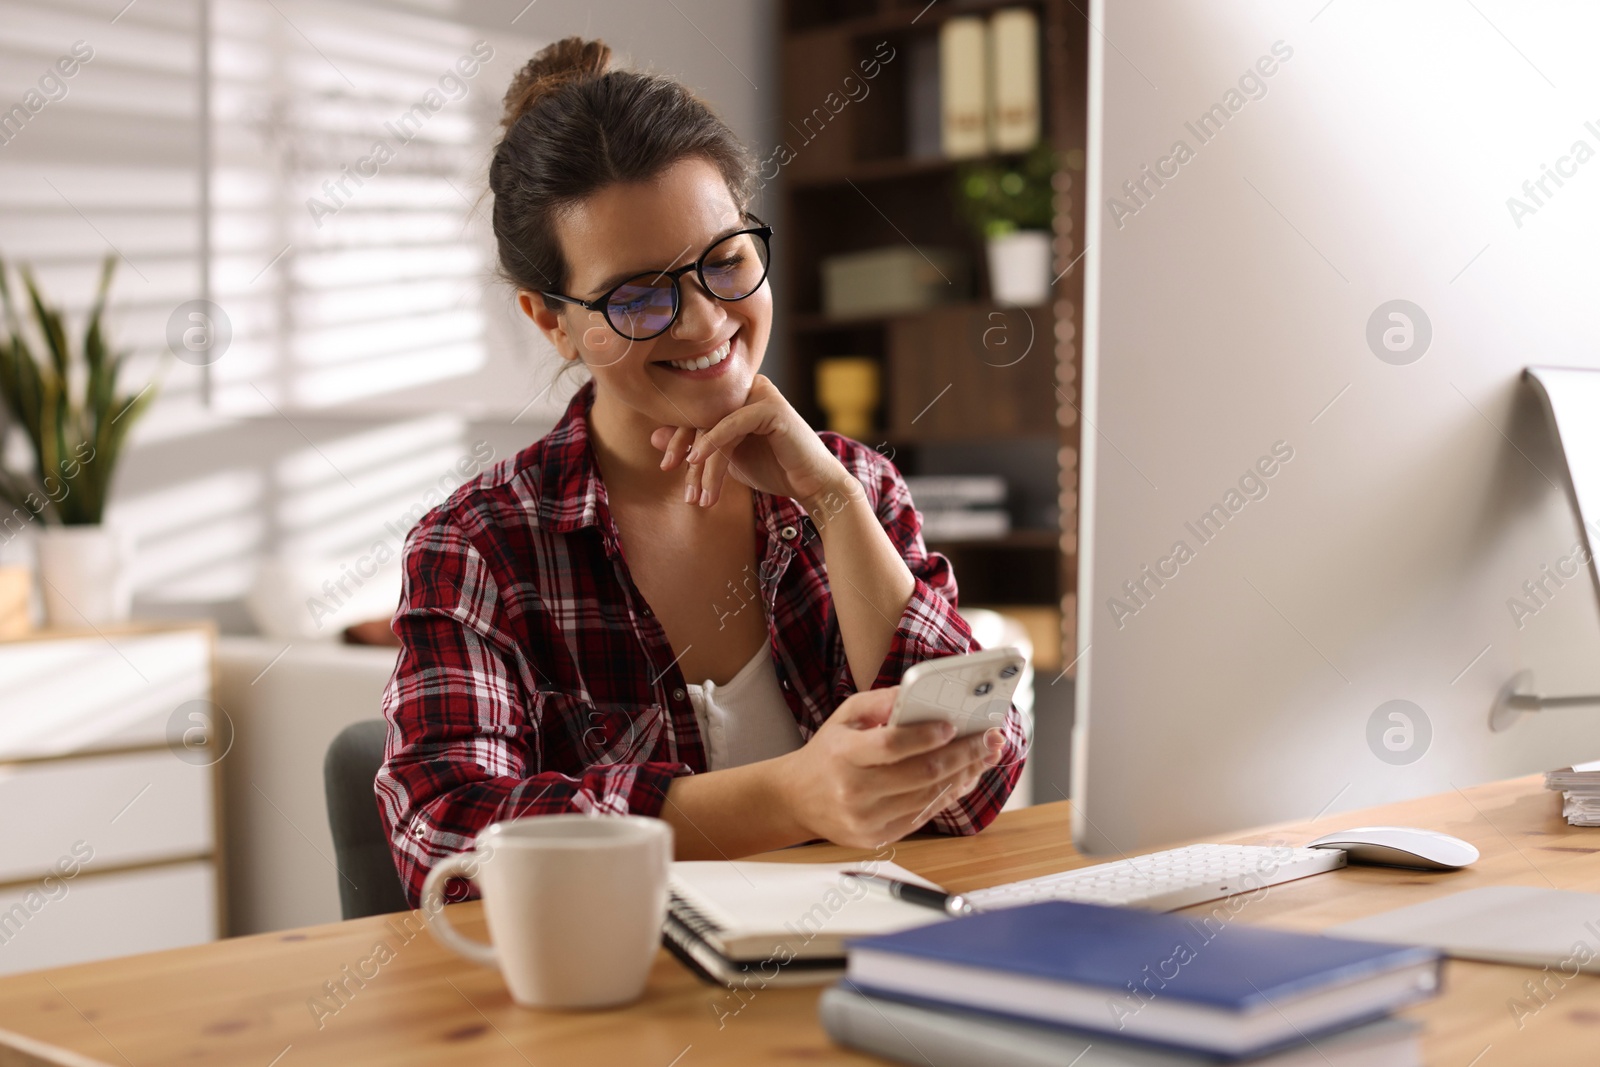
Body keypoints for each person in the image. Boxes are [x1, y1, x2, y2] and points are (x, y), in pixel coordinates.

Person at [376, 37, 1027, 906]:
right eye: (637, 296)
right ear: (552, 322)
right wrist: (788, 794)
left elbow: (977, 781)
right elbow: (448, 842)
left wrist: (831, 502)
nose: (702, 321)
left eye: (724, 262)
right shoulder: (480, 547)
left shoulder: (853, 486)